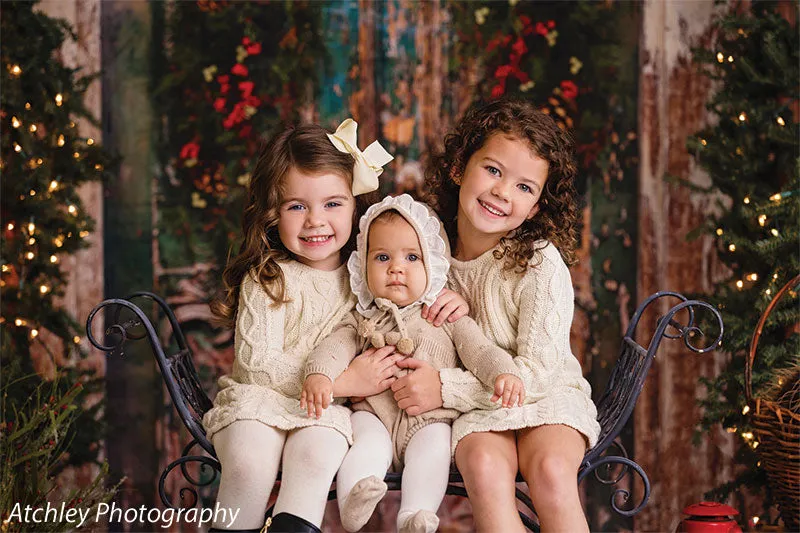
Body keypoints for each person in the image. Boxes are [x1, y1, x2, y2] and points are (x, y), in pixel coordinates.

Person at [391, 98, 602, 532]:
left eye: (525, 187)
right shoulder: (427, 253)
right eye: (493, 170)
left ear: (537, 207)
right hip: (480, 410)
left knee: (549, 471)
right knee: (485, 467)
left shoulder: (538, 263)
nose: (503, 192)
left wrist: (444, 387)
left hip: (545, 396)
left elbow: (538, 371)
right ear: (458, 168)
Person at [202, 119, 402, 533]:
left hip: (321, 414)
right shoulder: (270, 276)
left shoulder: (365, 278)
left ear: (355, 205)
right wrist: (342, 383)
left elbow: (416, 301)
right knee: (248, 458)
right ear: (273, 214)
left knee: (317, 454)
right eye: (297, 206)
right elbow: (257, 366)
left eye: (333, 203)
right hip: (258, 404)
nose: (315, 221)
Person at [301, 194, 525, 533]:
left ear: (432, 266)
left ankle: (414, 516)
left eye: (411, 257)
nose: (396, 267)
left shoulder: (444, 316)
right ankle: (354, 500)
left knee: (433, 449)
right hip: (373, 414)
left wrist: (503, 373)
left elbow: (479, 351)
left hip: (429, 420)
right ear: (363, 266)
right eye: (381, 257)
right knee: (365, 445)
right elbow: (332, 348)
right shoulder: (362, 319)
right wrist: (320, 376)